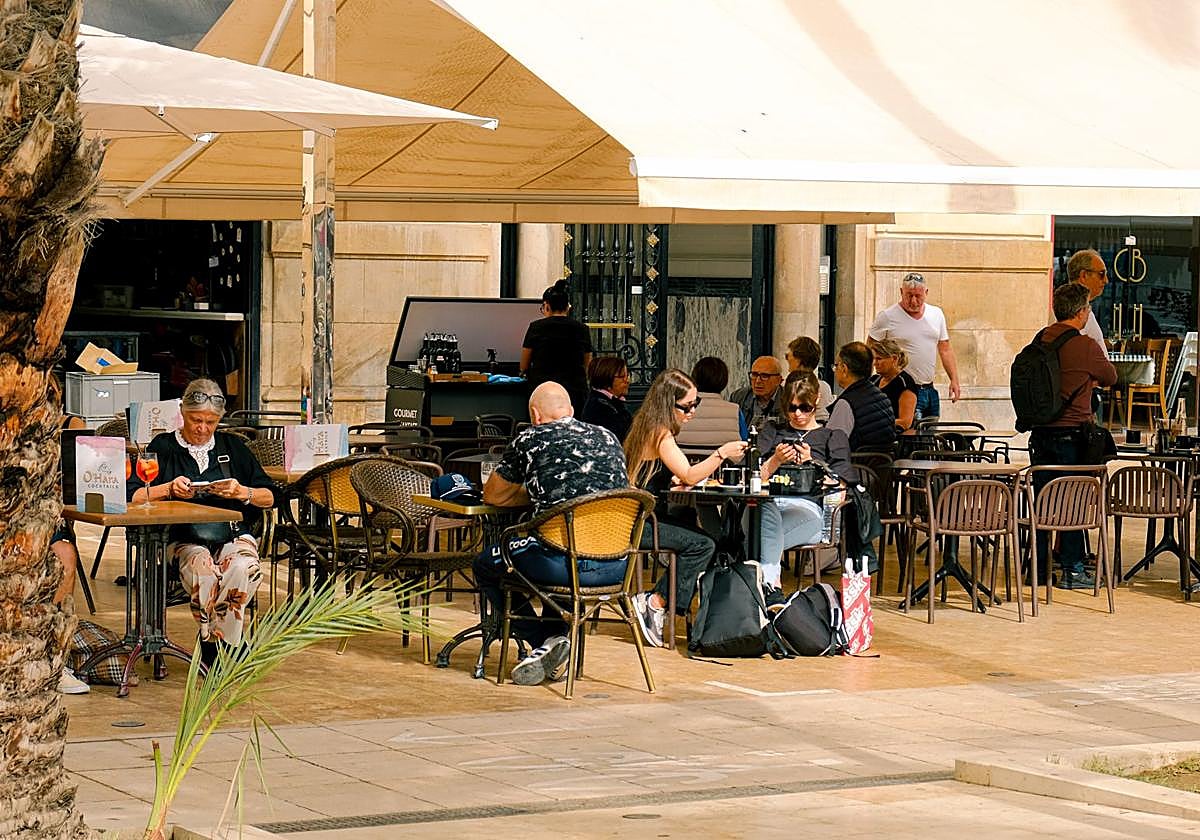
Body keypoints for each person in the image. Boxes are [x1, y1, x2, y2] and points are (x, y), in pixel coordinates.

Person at [474, 382, 630, 685]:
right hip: (616, 566)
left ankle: (544, 640)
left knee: (487, 564)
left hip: (560, 564)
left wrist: (537, 493)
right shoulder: (609, 437)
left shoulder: (531, 438)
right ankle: (553, 641)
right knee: (551, 553)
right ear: (571, 411)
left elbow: (493, 496)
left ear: (535, 414)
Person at [127, 378, 277, 665]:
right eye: (196, 420)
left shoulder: (233, 447)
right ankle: (222, 643)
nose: (202, 428)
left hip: (232, 533)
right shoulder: (164, 446)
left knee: (243, 568)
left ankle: (214, 640)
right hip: (184, 537)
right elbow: (133, 494)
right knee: (204, 572)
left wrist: (242, 492)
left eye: (211, 422)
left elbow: (271, 496)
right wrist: (168, 489)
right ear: (182, 413)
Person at [625, 369, 747, 647]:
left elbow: (656, 472)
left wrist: (673, 477)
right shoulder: (661, 434)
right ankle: (656, 602)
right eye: (687, 406)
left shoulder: (644, 425)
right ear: (669, 404)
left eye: (696, 404)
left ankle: (662, 603)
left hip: (634, 518)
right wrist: (722, 453)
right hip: (641, 524)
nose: (691, 412)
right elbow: (692, 475)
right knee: (704, 544)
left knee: (694, 528)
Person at [1027, 283, 1117, 590]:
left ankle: (1037, 570)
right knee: (1072, 502)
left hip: (1040, 434)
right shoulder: (1086, 345)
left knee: (1042, 502)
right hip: (1073, 434)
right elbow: (1111, 377)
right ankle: (1073, 569)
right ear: (1080, 312)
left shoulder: (1040, 339)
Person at [753, 372, 856, 601]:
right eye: (791, 408)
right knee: (766, 506)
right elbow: (752, 477)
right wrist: (775, 460)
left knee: (752, 538)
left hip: (809, 510)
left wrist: (813, 462)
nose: (798, 414)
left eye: (805, 407)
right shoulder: (772, 432)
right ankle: (771, 589)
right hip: (767, 504)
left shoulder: (832, 437)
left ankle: (763, 585)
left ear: (817, 400)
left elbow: (839, 484)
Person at [868, 272, 961, 421]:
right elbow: (870, 348)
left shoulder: (936, 314)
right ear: (901, 292)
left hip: (929, 388)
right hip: (904, 388)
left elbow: (945, 349)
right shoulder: (887, 316)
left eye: (918, 296)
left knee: (930, 435)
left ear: (926, 293)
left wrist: (954, 380)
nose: (913, 301)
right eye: (908, 295)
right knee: (912, 435)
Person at [520, 279, 593, 416]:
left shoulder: (536, 327)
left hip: (542, 390)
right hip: (574, 391)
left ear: (547, 306)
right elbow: (588, 364)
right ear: (568, 307)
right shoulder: (581, 329)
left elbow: (524, 364)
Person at [827, 342, 898, 453]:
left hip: (855, 467)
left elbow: (832, 446)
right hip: (882, 466)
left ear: (844, 369)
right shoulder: (882, 397)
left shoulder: (846, 403)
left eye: (836, 366)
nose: (835, 370)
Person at [675, 356, 745, 448]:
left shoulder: (679, 408)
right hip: (725, 461)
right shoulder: (735, 410)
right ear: (724, 381)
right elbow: (744, 439)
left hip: (683, 459)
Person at [868, 337, 919, 433]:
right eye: (874, 359)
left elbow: (905, 422)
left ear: (894, 358)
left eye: (879, 359)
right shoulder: (874, 380)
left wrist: (873, 424)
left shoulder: (904, 383)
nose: (875, 363)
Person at [1065, 249, 1109, 354]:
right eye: (1101, 274)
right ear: (1084, 275)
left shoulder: (1084, 309)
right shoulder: (1072, 312)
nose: (1106, 280)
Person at [579, 356, 633, 441]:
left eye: (627, 375)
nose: (627, 380)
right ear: (606, 379)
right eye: (622, 376)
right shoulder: (600, 408)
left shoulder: (610, 402)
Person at [785, 336, 835, 423]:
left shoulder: (793, 385)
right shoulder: (824, 386)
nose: (787, 359)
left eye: (787, 356)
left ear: (798, 359)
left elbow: (821, 419)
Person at [729, 355, 784, 431]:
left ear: (779, 380)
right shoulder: (738, 397)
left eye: (764, 376)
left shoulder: (788, 399)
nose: (758, 381)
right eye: (754, 375)